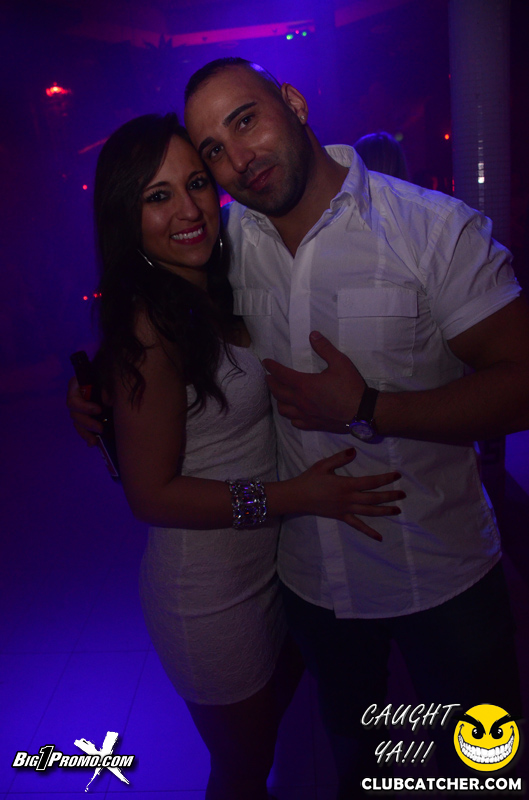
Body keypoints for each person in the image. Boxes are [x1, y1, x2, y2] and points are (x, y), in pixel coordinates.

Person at [180, 58, 529, 795]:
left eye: (245, 120)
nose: (238, 157)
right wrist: (101, 395)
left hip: (443, 577)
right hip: (315, 585)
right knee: (362, 770)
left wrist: (370, 407)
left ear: (293, 102)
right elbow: (154, 315)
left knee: (484, 772)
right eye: (213, 148)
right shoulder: (228, 246)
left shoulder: (430, 230)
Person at [72, 111, 404, 800]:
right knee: (243, 772)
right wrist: (296, 496)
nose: (189, 210)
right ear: (125, 216)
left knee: (264, 737)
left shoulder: (212, 282)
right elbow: (150, 496)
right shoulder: (149, 325)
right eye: (157, 195)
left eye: (196, 183)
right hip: (210, 597)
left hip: (271, 567)